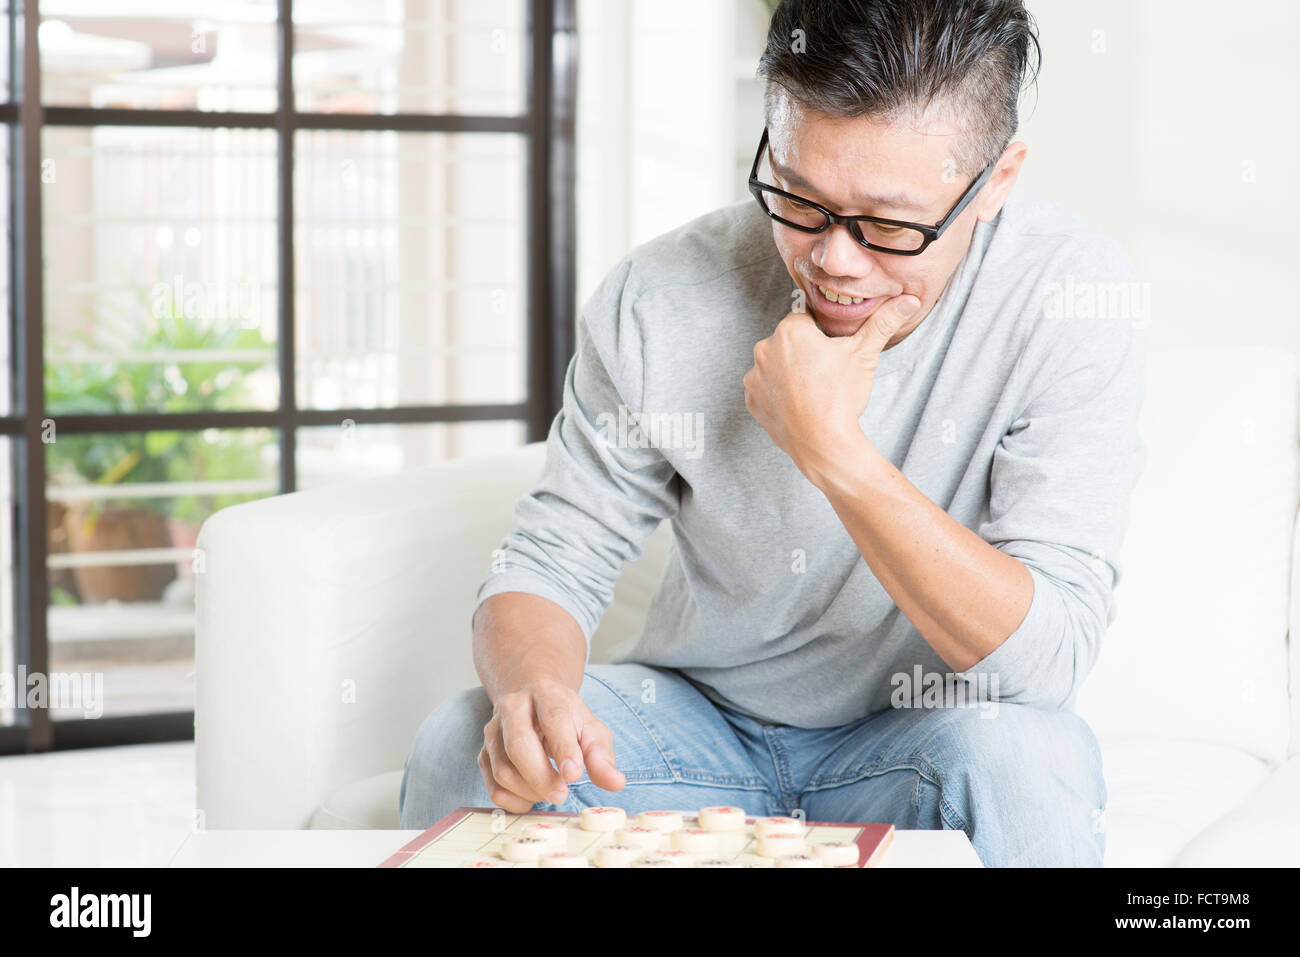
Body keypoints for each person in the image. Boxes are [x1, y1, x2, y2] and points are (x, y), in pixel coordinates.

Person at [400, 0, 1146, 867]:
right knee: (461, 737)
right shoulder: (661, 296)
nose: (834, 258)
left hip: (924, 737)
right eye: (798, 196)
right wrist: (535, 694)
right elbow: (549, 561)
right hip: (697, 729)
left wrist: (835, 452)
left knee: (1028, 755)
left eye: (892, 225)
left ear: (997, 181)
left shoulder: (1068, 296)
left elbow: (1041, 663)